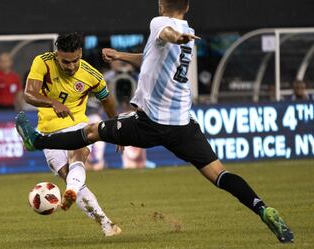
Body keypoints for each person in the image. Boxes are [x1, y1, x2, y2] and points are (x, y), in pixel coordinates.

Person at [16, 0, 293, 243]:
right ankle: (261, 208)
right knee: (220, 175)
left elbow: (165, 32)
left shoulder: (161, 22)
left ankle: (37, 141)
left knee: (90, 132)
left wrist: (174, 37)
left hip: (149, 124)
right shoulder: (190, 32)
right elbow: (152, 57)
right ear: (187, 6)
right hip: (184, 127)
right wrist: (122, 55)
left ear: (162, 4)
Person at [22, 33, 121, 236]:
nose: (71, 66)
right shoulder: (43, 62)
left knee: (80, 153)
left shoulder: (91, 75)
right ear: (57, 55)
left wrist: (116, 128)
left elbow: (108, 100)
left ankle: (78, 196)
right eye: (65, 61)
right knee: (72, 180)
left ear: (81, 53)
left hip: (77, 125)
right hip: (48, 131)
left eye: (75, 60)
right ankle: (105, 222)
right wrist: (53, 102)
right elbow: (29, 94)